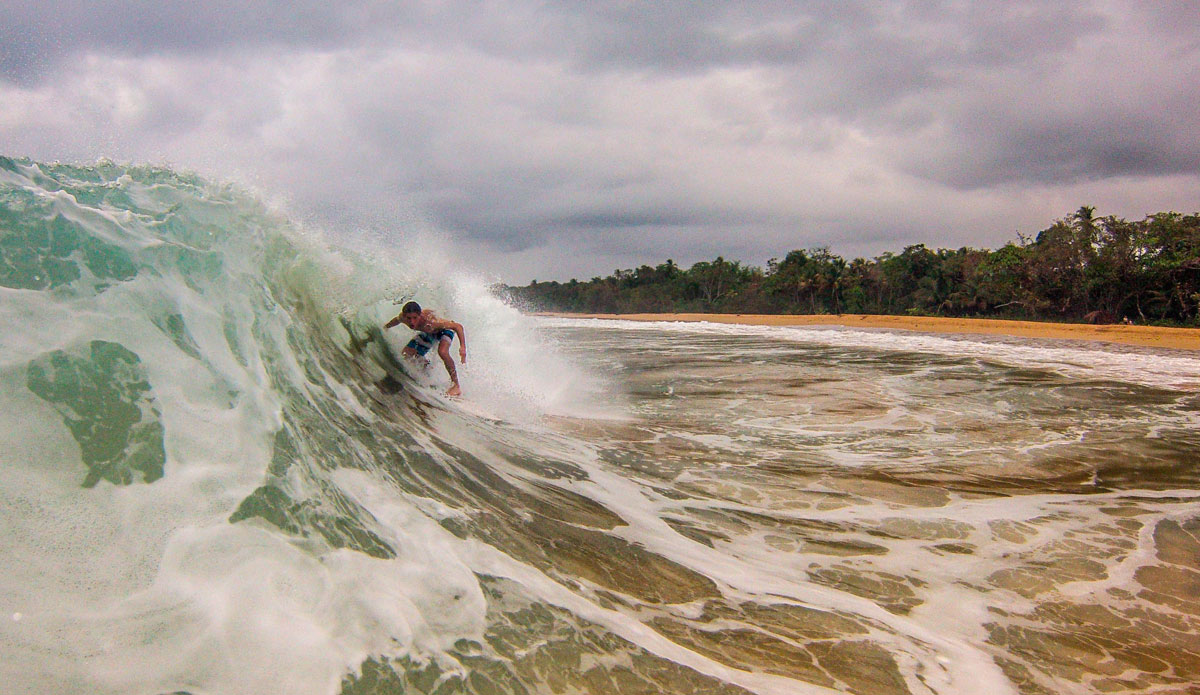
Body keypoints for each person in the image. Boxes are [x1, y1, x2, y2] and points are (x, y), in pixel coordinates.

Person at [385, 301, 467, 396]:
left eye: (415, 318)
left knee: (442, 352)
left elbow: (457, 326)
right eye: (409, 318)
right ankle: (427, 370)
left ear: (419, 316)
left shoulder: (431, 322)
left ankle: (456, 386)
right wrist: (385, 327)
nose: (412, 322)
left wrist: (462, 347)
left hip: (445, 330)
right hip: (429, 332)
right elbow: (395, 320)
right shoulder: (403, 318)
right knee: (407, 353)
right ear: (404, 316)